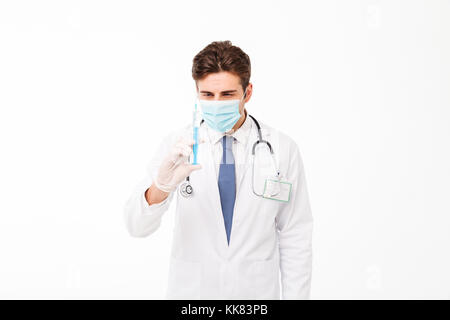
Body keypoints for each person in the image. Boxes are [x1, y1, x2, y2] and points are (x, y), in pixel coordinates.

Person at [124, 40, 313, 300]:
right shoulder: (177, 145)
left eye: (227, 95)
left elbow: (295, 235)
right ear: (197, 93)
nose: (216, 103)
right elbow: (136, 226)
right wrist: (161, 188)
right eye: (207, 95)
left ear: (247, 93)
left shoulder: (282, 148)